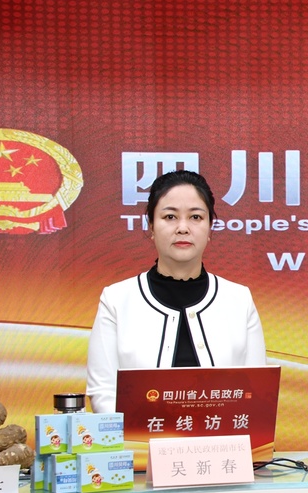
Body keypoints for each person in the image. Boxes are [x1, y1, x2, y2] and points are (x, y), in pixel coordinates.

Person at [86, 169, 267, 412]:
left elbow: (254, 395)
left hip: (222, 437)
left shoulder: (239, 300)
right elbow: (103, 393)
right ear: (151, 226)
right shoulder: (117, 300)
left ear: (210, 228)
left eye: (195, 217)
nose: (183, 228)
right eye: (170, 217)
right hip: (140, 437)